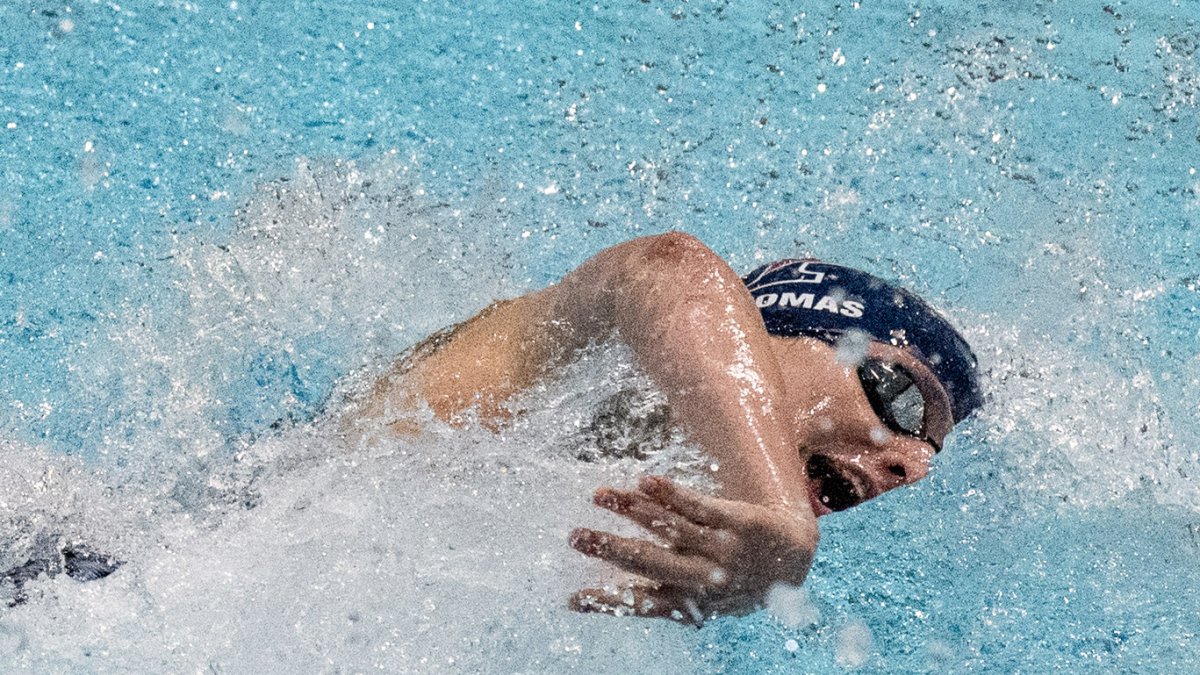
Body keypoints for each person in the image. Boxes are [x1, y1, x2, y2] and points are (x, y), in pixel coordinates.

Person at [348, 232, 983, 625]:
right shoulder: (567, 357)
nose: (913, 465)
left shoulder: (684, 558)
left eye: (930, 449)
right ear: (770, 336)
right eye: (902, 402)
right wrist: (779, 507)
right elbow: (666, 266)